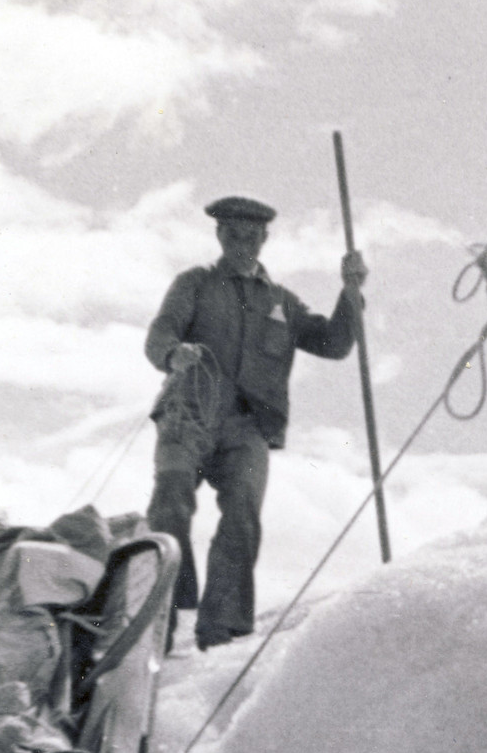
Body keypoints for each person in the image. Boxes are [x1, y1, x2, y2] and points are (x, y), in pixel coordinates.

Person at [143, 195, 369, 649]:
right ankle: (165, 615)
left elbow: (334, 343)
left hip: (247, 428)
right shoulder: (195, 284)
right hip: (188, 414)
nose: (241, 243)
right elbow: (159, 335)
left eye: (251, 236)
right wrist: (174, 353)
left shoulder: (282, 302)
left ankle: (221, 629)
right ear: (219, 236)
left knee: (243, 515)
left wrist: (350, 293)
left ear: (264, 239)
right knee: (170, 500)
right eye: (232, 234)